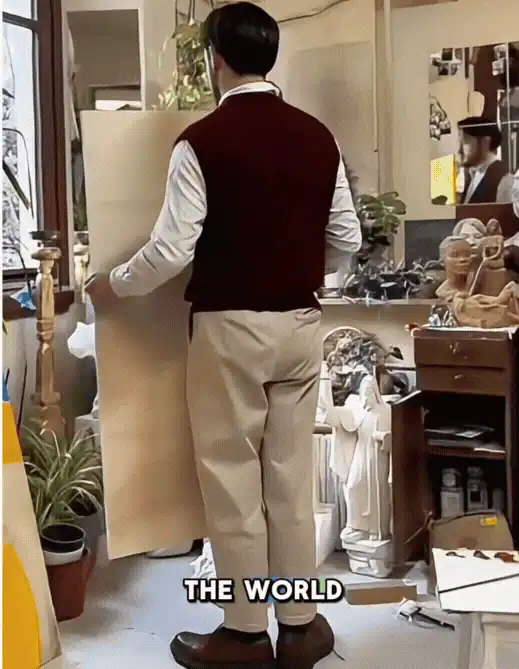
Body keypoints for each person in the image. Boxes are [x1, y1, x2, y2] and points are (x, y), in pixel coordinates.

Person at [85, 3, 361, 668]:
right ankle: (300, 626)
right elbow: (347, 240)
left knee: (233, 481)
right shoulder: (319, 138)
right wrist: (294, 266)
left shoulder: (201, 143)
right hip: (301, 326)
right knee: (290, 481)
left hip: (229, 329)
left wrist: (112, 284)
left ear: (216, 60)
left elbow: (171, 249)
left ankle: (244, 634)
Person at [457, 116, 513, 204]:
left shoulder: (505, 182)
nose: (459, 150)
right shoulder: (472, 176)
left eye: (464, 142)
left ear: (484, 142)